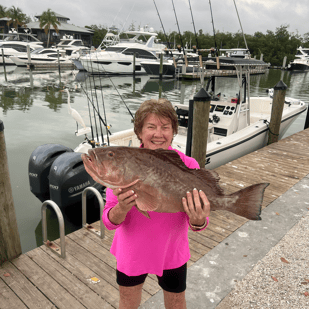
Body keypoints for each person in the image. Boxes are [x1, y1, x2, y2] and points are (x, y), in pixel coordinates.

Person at [102, 98, 210, 309]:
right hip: (131, 252)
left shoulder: (188, 165)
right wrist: (122, 208)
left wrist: (198, 219)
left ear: (173, 131)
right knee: (127, 302)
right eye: (151, 127)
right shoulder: (121, 163)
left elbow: (198, 222)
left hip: (172, 251)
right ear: (139, 132)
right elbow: (109, 221)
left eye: (165, 127)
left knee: (177, 302)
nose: (158, 134)